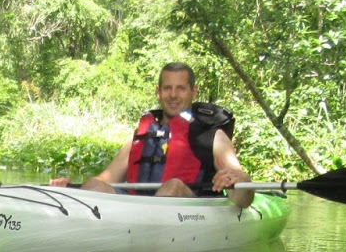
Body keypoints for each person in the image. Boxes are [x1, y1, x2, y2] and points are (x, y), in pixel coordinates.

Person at [49, 62, 255, 207]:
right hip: (136, 211)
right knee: (93, 185)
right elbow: (105, 180)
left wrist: (242, 180)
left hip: (188, 209)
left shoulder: (212, 136)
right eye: (167, 88)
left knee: (172, 187)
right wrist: (68, 190)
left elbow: (242, 200)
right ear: (158, 91)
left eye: (181, 89)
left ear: (194, 91)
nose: (173, 95)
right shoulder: (141, 135)